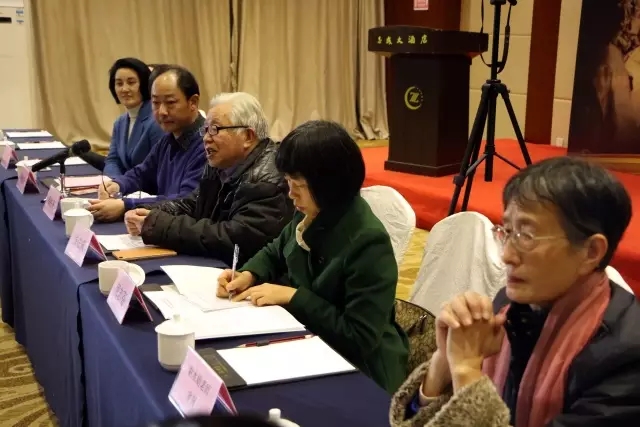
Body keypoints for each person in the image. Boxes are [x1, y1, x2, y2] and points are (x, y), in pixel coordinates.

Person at [389, 156, 640, 426]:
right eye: (507, 232)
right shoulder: (511, 306)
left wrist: (466, 370)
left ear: (591, 252)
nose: (507, 255)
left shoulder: (627, 356)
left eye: (526, 236)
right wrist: (443, 364)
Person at [216, 120, 409, 393]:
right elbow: (276, 250)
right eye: (287, 181)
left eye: (298, 185)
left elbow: (359, 337)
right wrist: (248, 274)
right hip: (312, 344)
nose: (290, 193)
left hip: (363, 371)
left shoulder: (368, 242)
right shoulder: (312, 211)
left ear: (330, 186)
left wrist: (292, 296)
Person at [125, 92, 292, 265]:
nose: (205, 138)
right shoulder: (220, 165)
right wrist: (149, 212)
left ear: (248, 137)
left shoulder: (268, 181)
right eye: (205, 130)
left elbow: (233, 240)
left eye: (215, 129)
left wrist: (159, 226)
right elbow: (192, 204)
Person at [88, 65, 207, 222]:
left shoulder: (208, 144)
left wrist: (126, 205)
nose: (162, 111)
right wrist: (118, 185)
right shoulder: (168, 139)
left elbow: (184, 202)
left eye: (170, 102)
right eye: (156, 103)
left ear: (193, 102)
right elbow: (142, 174)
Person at [79, 57, 164, 175]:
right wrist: (115, 181)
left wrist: (122, 183)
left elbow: (157, 167)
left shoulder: (157, 119)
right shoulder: (120, 122)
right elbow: (112, 161)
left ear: (145, 85)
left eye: (131, 82)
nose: (124, 89)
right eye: (119, 83)